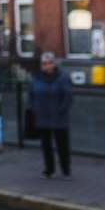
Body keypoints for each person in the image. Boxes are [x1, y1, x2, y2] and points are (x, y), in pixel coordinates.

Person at [29, 52, 73, 180]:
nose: (43, 66)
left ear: (53, 64)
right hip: (42, 117)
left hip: (58, 117)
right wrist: (35, 109)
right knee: (46, 145)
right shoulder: (36, 79)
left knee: (62, 146)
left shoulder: (62, 78)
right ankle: (49, 170)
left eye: (46, 63)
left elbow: (68, 96)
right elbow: (31, 96)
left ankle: (66, 171)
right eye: (42, 63)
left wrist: (61, 110)